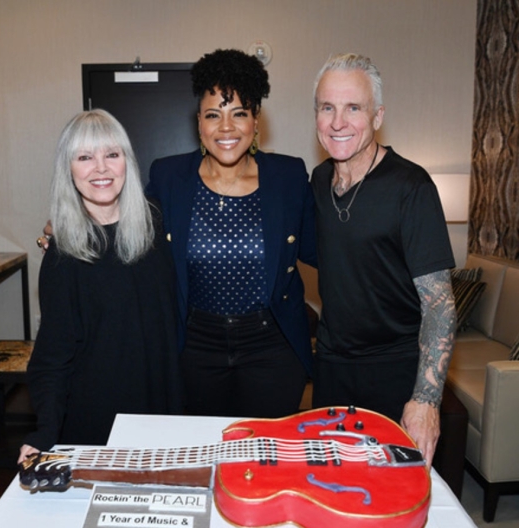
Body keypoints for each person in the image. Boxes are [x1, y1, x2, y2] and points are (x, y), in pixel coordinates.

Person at [146, 48, 317, 418]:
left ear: (256, 120)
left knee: (265, 457)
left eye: (239, 113)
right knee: (203, 457)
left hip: (271, 347)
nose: (226, 127)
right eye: (213, 115)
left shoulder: (288, 178)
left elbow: (326, 250)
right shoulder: (168, 177)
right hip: (193, 347)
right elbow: (130, 239)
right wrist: (72, 232)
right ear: (199, 123)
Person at [311, 53, 457, 466]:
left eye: (353, 108)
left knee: (397, 501)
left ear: (377, 116)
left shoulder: (411, 187)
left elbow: (440, 306)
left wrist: (426, 399)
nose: (338, 122)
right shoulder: (319, 180)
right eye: (327, 108)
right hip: (333, 369)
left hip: (396, 371)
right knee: (332, 490)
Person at [19, 110, 181, 463]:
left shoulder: (157, 224)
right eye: (84, 157)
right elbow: (52, 357)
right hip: (95, 423)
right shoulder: (63, 254)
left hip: (163, 410)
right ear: (69, 170)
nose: (101, 168)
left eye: (112, 154)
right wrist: (45, 432)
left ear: (127, 161)